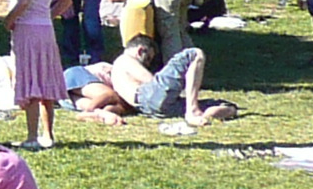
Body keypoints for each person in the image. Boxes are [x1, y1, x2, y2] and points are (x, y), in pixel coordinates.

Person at [70, 40, 233, 127]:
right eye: (147, 59)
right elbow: (151, 81)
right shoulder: (124, 60)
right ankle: (192, 112)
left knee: (228, 106)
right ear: (140, 50)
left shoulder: (117, 75)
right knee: (195, 53)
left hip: (151, 109)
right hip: (147, 96)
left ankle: (203, 115)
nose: (147, 63)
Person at [1, 0, 65, 149]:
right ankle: (48, 134)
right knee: (45, 80)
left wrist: (9, 20)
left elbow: (24, 1)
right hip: (46, 30)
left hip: (27, 30)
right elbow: (66, 0)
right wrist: (49, 14)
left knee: (30, 81)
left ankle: (31, 136)